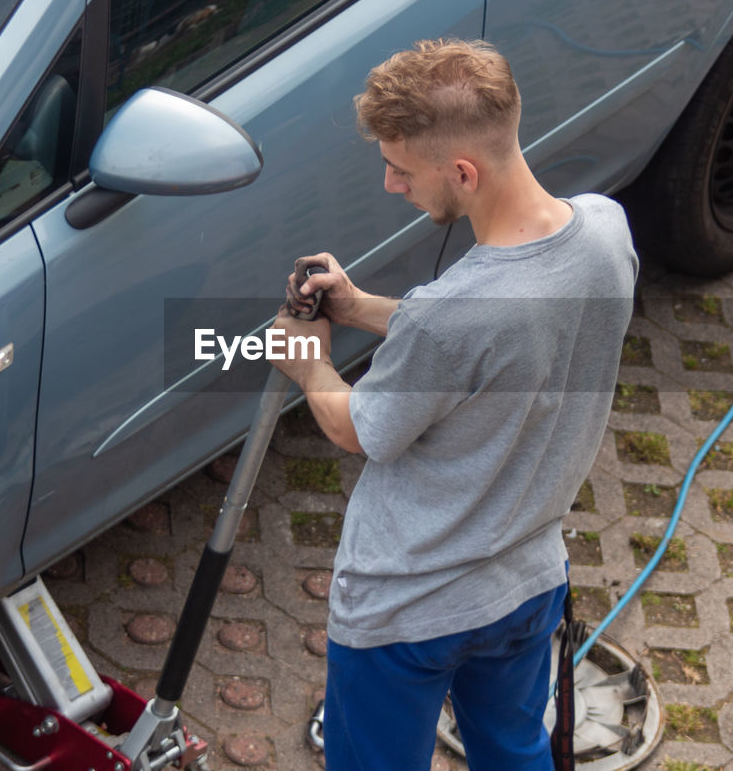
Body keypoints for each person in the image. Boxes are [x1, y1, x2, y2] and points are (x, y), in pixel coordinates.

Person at [268, 38, 637, 770]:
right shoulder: (604, 230)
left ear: (462, 172)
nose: (389, 183)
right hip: (526, 583)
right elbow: (491, 338)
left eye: (401, 169)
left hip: (408, 614)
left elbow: (358, 427)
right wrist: (361, 304)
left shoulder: (448, 317)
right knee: (514, 749)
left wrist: (307, 364)